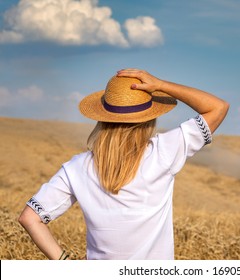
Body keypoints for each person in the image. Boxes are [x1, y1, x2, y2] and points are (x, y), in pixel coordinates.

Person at [18, 69, 229, 260]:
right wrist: (160, 85)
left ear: (102, 117)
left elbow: (29, 218)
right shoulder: (163, 152)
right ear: (149, 118)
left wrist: (66, 264)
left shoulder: (76, 167)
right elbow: (218, 107)